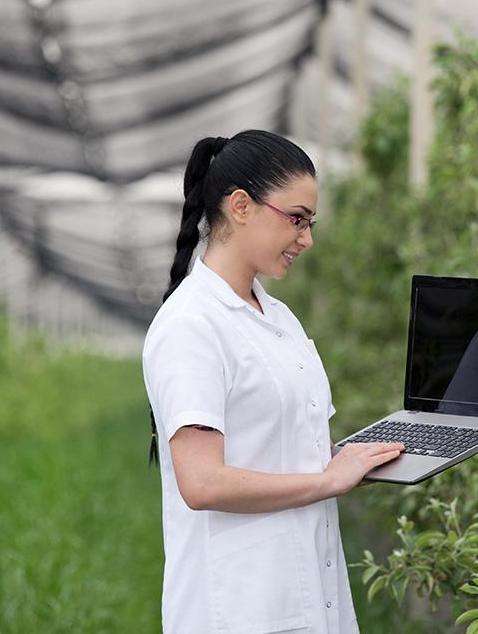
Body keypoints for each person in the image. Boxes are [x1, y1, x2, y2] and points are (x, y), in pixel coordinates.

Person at [142, 130, 404, 634]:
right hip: (239, 608)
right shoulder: (191, 325)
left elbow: (286, 447)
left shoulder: (280, 318)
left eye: (311, 222)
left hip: (306, 594)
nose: (306, 238)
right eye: (297, 219)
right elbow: (201, 482)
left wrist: (356, 460)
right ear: (241, 206)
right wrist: (328, 480)